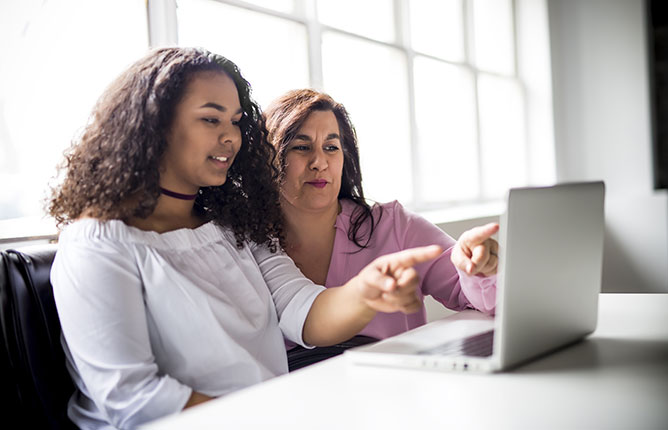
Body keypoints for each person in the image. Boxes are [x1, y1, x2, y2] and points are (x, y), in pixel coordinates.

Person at [47, 47, 442, 429]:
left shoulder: (232, 226)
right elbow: (134, 399)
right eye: (211, 119)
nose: (231, 137)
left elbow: (304, 311)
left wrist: (365, 292)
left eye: (235, 121)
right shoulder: (98, 245)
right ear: (155, 125)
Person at [263, 89, 499, 370]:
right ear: (268, 157)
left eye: (331, 147)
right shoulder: (249, 247)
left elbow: (485, 298)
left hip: (397, 393)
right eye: (301, 147)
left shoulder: (395, 226)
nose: (320, 162)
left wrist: (477, 265)